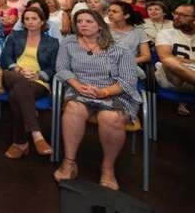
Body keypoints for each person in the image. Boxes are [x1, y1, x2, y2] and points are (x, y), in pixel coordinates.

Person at [53, 10, 141, 191]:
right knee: (73, 109)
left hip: (114, 92)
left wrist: (104, 92)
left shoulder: (119, 47)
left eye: (89, 21)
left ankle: (108, 169)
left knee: (110, 118)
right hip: (81, 88)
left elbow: (128, 80)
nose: (83, 25)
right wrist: (77, 85)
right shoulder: (69, 42)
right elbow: (61, 68)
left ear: (100, 25)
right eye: (79, 21)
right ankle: (69, 162)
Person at [0, 7, 59, 158]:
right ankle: (36, 134)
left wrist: (39, 75)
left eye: (34, 18)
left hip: (37, 81)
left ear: (42, 21)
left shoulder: (52, 42)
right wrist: (18, 70)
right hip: (13, 74)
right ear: (23, 22)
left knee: (15, 95)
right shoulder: (15, 36)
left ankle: (20, 143)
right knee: (19, 81)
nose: (30, 22)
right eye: (27, 19)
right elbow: (5, 58)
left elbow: (53, 68)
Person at [155, 4, 195, 112]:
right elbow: (165, 56)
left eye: (183, 15)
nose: (176, 17)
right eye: (175, 13)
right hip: (174, 77)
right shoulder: (166, 33)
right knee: (169, 61)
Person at [107, 1, 149, 77]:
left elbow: (146, 56)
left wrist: (129, 61)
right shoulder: (102, 28)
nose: (110, 13)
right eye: (109, 11)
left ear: (126, 15)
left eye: (114, 11)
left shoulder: (138, 32)